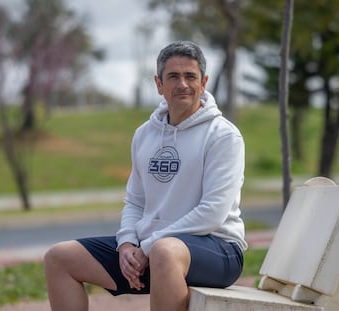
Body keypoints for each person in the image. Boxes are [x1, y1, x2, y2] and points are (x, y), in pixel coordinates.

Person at [44, 41, 247, 311]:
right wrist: (127, 244)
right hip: (152, 251)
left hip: (218, 250)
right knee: (59, 257)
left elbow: (212, 212)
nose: (182, 84)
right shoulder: (145, 134)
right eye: (173, 76)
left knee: (164, 250)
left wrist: (148, 246)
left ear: (204, 82)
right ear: (159, 84)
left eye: (190, 76)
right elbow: (136, 202)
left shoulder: (223, 135)